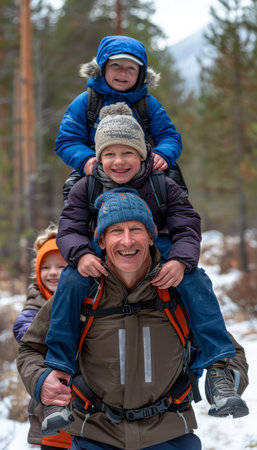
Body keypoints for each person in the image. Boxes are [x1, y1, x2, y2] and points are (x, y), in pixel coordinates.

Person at [44, 103, 248, 425]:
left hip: (157, 249)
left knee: (196, 281)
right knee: (69, 284)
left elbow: (187, 225)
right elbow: (68, 229)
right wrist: (80, 254)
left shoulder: (161, 184)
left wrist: (181, 261)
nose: (119, 161)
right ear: (98, 156)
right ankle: (59, 379)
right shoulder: (86, 187)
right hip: (98, 253)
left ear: (143, 155)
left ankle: (219, 373)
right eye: (109, 154)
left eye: (128, 153)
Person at [16, 191, 249, 450]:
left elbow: (230, 351)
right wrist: (40, 381)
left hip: (169, 436)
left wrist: (228, 379)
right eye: (116, 231)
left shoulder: (178, 290)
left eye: (136, 229)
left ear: (151, 236)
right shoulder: (81, 292)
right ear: (101, 241)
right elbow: (31, 349)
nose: (127, 240)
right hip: (93, 435)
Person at [55, 34, 182, 180]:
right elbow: (67, 140)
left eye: (131, 68)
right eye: (116, 65)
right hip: (96, 172)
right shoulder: (86, 102)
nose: (123, 73)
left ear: (141, 74)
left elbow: (169, 136)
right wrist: (86, 160)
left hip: (141, 172)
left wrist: (163, 154)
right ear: (102, 68)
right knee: (73, 193)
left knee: (173, 190)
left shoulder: (148, 105)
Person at [13, 224, 72, 450]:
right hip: (50, 419)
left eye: (61, 266)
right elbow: (23, 328)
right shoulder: (36, 301)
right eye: (45, 267)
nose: (53, 272)